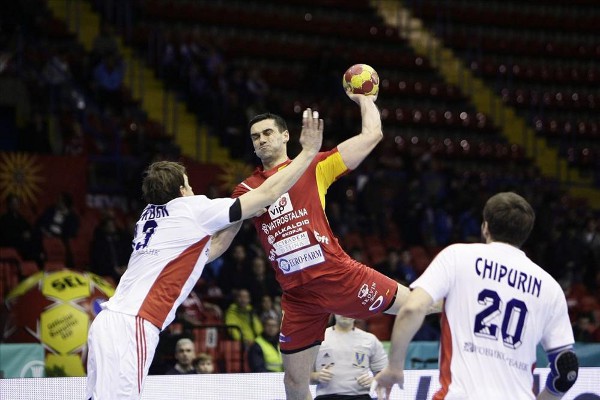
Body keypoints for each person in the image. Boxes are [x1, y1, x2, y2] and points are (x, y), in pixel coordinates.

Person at [85, 108, 323, 400]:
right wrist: (308, 152)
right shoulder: (192, 208)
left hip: (107, 323)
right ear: (183, 190)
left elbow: (206, 252)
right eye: (188, 182)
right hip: (134, 323)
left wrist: (240, 217)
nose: (193, 187)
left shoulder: (148, 216)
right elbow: (267, 193)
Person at [232, 92, 437, 399]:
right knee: (294, 382)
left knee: (418, 304)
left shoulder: (316, 165)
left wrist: (365, 98)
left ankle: (465, 300)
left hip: (338, 276)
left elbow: (372, 135)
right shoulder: (247, 188)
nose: (261, 140)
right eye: (255, 137)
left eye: (267, 133)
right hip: (298, 297)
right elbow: (225, 232)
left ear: (286, 135)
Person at [374, 192, 579, 400]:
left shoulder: (457, 256)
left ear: (485, 227)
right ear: (525, 234)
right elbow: (566, 368)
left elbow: (411, 308)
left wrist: (394, 367)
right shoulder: (550, 287)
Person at [311, 315, 387, 400]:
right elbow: (300, 376)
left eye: (349, 309)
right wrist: (316, 376)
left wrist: (373, 381)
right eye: (342, 309)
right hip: (326, 397)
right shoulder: (316, 338)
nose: (345, 314)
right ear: (333, 311)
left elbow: (385, 374)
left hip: (360, 396)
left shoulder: (370, 339)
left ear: (357, 312)